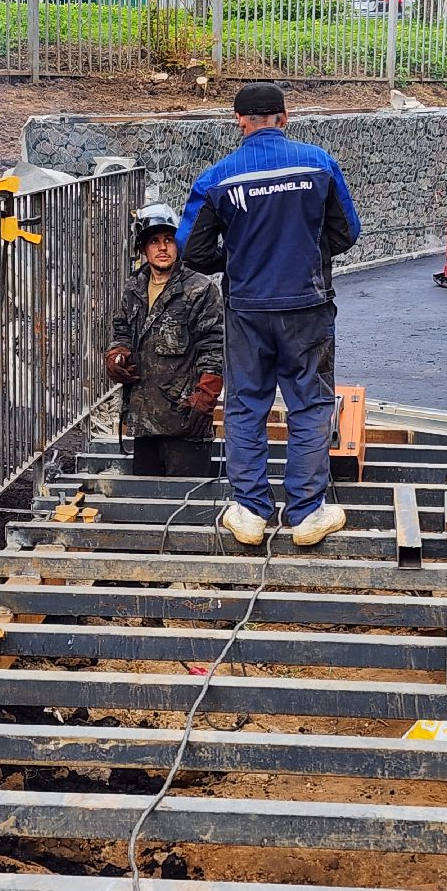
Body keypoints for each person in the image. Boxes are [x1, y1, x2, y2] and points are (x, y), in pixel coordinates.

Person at [177, 82, 361, 549]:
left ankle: (251, 511)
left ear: (239, 121)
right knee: (311, 404)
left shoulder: (217, 177)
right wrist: (306, 256)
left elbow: (192, 249)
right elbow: (347, 232)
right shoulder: (319, 163)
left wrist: (239, 262)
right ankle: (306, 512)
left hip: (247, 310)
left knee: (245, 405)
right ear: (285, 115)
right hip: (308, 307)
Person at [105, 204, 224, 477]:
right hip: (144, 420)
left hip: (185, 419)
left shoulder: (200, 290)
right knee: (145, 506)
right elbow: (121, 332)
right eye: (154, 241)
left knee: (185, 507)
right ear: (143, 249)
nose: (162, 247)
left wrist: (205, 395)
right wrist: (117, 355)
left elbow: (214, 347)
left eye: (168, 240)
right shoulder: (133, 289)